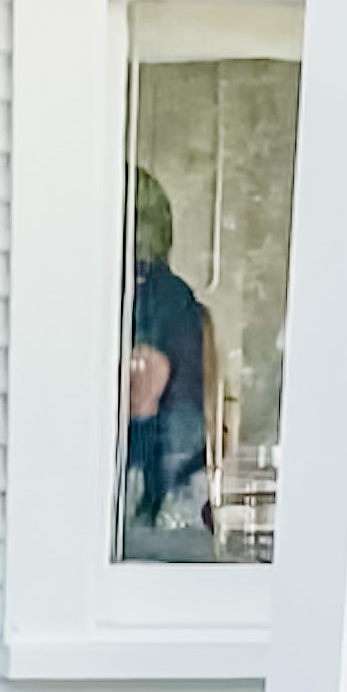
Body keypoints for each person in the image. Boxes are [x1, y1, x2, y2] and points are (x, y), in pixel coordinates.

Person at [119, 167, 211, 551]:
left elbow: (166, 415)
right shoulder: (180, 301)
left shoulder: (149, 299)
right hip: (174, 504)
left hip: (151, 507)